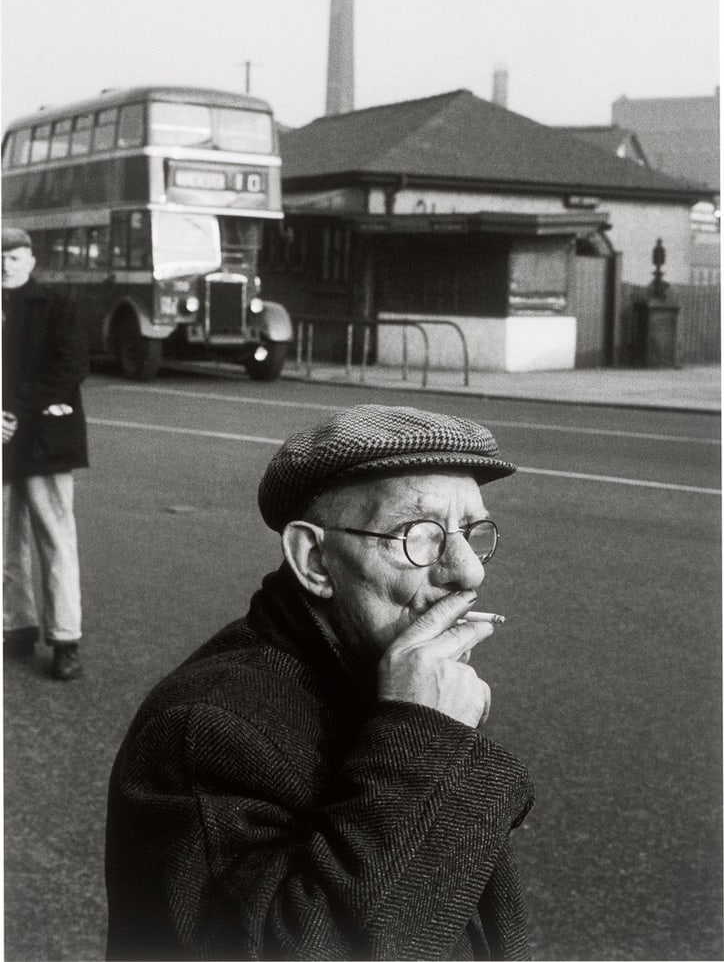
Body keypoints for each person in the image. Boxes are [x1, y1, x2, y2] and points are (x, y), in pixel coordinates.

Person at [105, 404, 535, 960]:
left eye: (472, 531)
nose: (468, 570)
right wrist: (425, 738)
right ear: (313, 560)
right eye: (418, 534)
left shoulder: (387, 676)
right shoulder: (204, 729)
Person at [2, 225, 89, 681]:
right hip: (5, 438)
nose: (4, 265)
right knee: (4, 541)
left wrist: (14, 409)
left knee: (55, 539)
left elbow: (73, 364)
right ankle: (16, 626)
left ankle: (65, 640)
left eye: (13, 257)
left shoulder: (58, 304)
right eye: (0, 258)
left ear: (31, 260)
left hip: (44, 439)